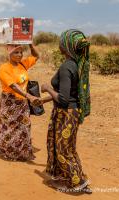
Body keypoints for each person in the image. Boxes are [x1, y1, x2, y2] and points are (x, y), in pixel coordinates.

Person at [39, 29, 92, 194]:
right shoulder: (77, 64)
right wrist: (44, 100)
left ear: (66, 46)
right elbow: (70, 94)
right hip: (72, 112)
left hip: (65, 114)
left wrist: (47, 88)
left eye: (61, 41)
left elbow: (63, 99)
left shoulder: (66, 67)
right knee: (69, 148)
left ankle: (74, 184)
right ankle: (78, 179)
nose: (59, 44)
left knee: (63, 150)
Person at [0, 44, 40, 161]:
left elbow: (37, 56)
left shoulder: (23, 64)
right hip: (10, 103)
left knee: (24, 127)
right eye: (16, 52)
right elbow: (13, 85)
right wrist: (29, 96)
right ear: (9, 54)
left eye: (21, 52)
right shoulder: (4, 68)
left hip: (22, 103)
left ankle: (23, 152)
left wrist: (30, 44)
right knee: (10, 128)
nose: (19, 55)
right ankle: (3, 147)